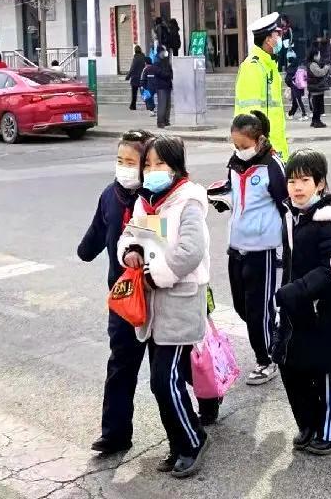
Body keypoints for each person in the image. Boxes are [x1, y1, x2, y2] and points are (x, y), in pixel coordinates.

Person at [118, 135, 211, 478]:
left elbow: (190, 251)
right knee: (163, 382)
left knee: (164, 381)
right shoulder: (146, 202)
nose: (153, 170)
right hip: (151, 308)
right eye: (148, 164)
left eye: (161, 163)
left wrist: (156, 276)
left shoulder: (188, 201)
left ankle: (192, 441)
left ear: (176, 167)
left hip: (179, 303)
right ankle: (180, 441)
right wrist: (130, 252)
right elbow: (130, 237)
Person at [272, 149, 331, 456]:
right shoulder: (293, 215)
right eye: (292, 181)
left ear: (320, 183)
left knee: (326, 371)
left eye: (305, 180)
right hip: (297, 311)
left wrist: (295, 291)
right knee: (292, 367)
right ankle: (308, 423)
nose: (297, 187)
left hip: (326, 312)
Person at [78, 130, 154, 456]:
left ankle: (207, 399)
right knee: (121, 364)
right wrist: (85, 250)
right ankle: (115, 433)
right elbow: (100, 229)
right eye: (120, 160)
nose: (124, 167)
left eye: (131, 162)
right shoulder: (110, 195)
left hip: (159, 295)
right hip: (123, 298)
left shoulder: (156, 200)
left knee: (177, 366)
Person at [224, 111, 288, 385]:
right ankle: (275, 334)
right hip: (236, 247)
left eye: (244, 145)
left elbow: (287, 207)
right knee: (242, 307)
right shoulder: (234, 164)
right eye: (235, 145)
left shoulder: (273, 166)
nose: (239, 150)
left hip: (264, 250)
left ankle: (267, 359)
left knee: (258, 310)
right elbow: (233, 193)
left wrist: (288, 250)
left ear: (259, 140)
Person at [234, 12, 289, 159]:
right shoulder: (253, 67)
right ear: (268, 40)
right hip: (261, 151)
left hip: (274, 147)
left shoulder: (269, 65)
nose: (280, 38)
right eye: (277, 34)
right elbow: (249, 113)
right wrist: (256, 150)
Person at [146, 45, 173, 128]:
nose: (164, 53)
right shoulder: (156, 62)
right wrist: (167, 74)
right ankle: (160, 122)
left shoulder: (166, 61)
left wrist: (170, 75)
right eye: (163, 51)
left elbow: (170, 71)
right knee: (162, 104)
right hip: (161, 86)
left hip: (168, 85)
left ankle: (166, 120)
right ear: (160, 52)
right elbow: (159, 73)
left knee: (168, 105)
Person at [306, 46, 331, 129]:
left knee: (317, 106)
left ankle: (314, 120)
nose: (320, 56)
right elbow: (319, 73)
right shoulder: (312, 64)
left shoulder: (314, 64)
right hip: (316, 88)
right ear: (314, 56)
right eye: (318, 55)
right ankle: (317, 122)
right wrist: (326, 68)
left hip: (317, 87)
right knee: (317, 106)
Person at [285, 54, 308, 121]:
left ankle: (304, 114)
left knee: (298, 101)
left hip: (294, 87)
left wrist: (290, 85)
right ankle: (290, 114)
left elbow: (287, 79)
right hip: (300, 87)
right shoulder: (300, 68)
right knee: (295, 102)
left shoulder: (291, 68)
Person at [125, 46, 147, 111]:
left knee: (134, 94)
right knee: (144, 92)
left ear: (135, 51)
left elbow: (132, 68)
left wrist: (128, 76)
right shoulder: (143, 57)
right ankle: (149, 105)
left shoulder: (136, 58)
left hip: (135, 78)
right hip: (142, 77)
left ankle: (133, 106)